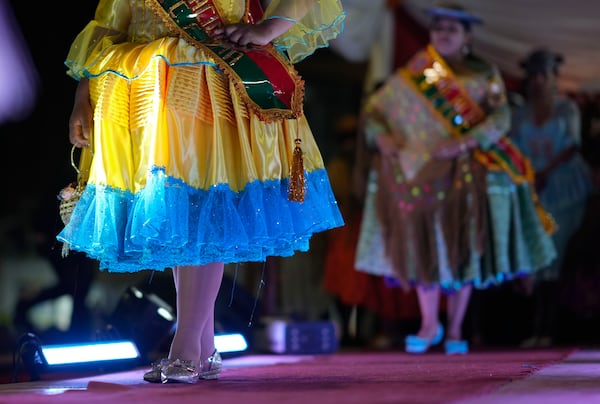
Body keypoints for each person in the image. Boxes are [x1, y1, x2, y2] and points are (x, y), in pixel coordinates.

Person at [58, 0, 345, 384]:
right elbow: (108, 27)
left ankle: (186, 346)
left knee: (202, 216)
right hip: (145, 93)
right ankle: (203, 346)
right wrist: (82, 97)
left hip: (210, 86)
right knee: (185, 221)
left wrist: (267, 29)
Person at [353, 2, 557, 355]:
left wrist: (465, 141)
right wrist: (381, 136)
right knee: (423, 244)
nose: (443, 33)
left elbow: (500, 120)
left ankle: (457, 328)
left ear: (467, 36)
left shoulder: (484, 74)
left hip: (465, 171)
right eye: (438, 27)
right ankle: (429, 324)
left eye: (451, 28)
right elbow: (375, 112)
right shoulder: (415, 73)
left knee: (461, 245)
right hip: (419, 172)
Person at [510, 48, 594, 348]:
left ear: (553, 78)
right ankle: (535, 327)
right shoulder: (520, 112)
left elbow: (572, 144)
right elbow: (514, 149)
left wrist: (546, 171)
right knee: (537, 254)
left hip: (563, 187)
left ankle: (552, 328)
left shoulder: (566, 108)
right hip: (533, 187)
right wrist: (529, 175)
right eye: (533, 75)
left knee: (556, 252)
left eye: (543, 75)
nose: (538, 81)